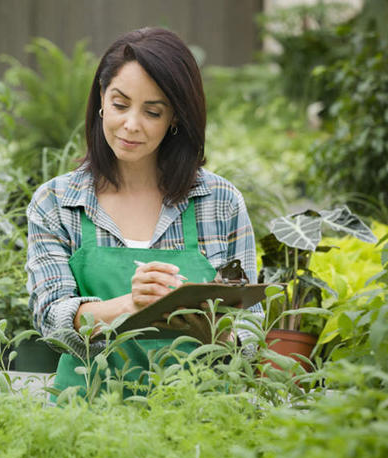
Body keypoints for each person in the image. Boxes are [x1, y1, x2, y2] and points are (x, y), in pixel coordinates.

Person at [25, 27, 261, 398]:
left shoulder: (219, 201)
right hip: (84, 420)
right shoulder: (57, 202)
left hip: (199, 418)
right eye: (120, 105)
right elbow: (51, 319)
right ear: (102, 100)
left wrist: (214, 330)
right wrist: (132, 306)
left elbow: (251, 331)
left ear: (175, 119)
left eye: (152, 112)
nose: (131, 124)